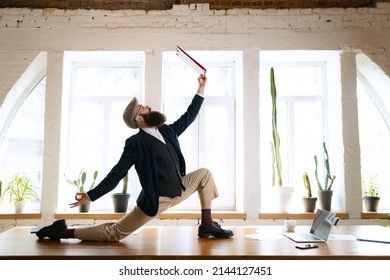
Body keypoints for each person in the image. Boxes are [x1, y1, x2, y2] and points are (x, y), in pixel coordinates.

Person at [36, 75, 233, 241]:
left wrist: (201, 88)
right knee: (115, 233)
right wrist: (91, 195)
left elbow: (189, 116)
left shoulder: (166, 131)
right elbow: (116, 174)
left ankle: (206, 225)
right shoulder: (135, 143)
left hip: (179, 188)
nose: (148, 106)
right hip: (157, 200)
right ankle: (62, 231)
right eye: (143, 107)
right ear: (138, 118)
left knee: (204, 174)